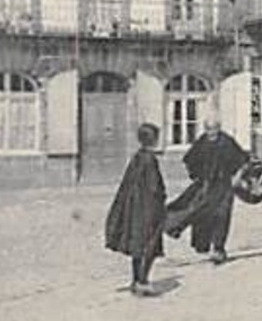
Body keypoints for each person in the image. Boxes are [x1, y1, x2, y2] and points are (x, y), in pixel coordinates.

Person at [169, 118, 250, 264]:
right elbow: (189, 159)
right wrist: (196, 174)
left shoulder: (227, 142)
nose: (211, 133)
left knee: (222, 215)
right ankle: (199, 242)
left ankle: (218, 249)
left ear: (218, 128)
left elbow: (243, 160)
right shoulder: (202, 142)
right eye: (208, 129)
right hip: (206, 184)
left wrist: (237, 176)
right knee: (200, 211)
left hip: (224, 184)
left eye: (213, 129)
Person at [104, 122, 167, 296]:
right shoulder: (150, 159)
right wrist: (161, 205)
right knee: (150, 245)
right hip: (148, 209)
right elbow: (155, 188)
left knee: (137, 246)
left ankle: (135, 280)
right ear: (153, 140)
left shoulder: (137, 157)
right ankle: (143, 281)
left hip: (135, 208)